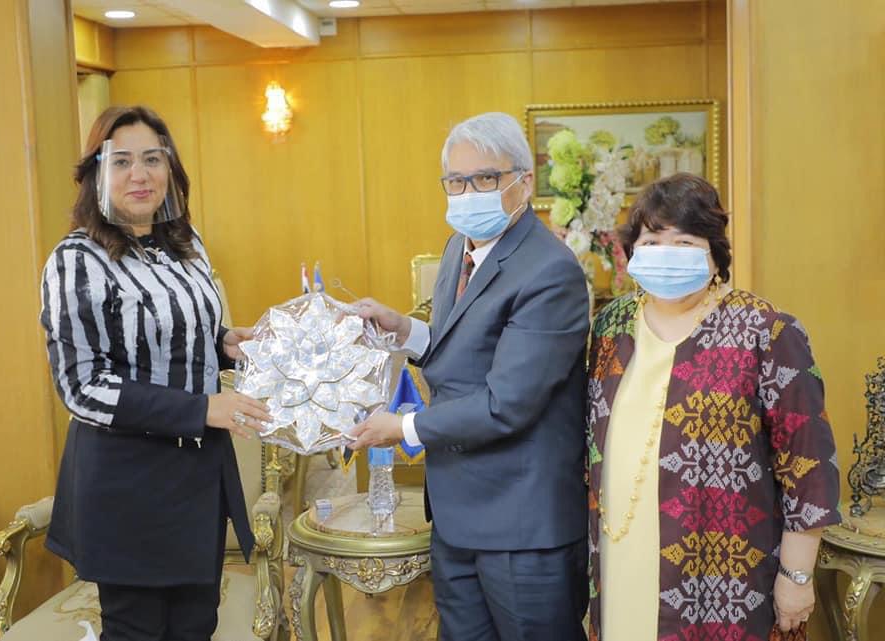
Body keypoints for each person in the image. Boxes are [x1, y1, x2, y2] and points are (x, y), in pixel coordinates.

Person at [350, 112, 590, 641]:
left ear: (524, 181)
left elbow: (508, 403)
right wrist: (406, 331)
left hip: (521, 525)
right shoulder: (459, 247)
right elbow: (465, 350)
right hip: (457, 513)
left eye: (485, 178)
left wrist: (403, 428)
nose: (468, 193)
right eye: (456, 182)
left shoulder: (550, 271)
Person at [40, 105, 272, 641]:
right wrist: (201, 408)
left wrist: (224, 344)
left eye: (152, 159)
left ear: (170, 169)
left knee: (197, 625)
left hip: (197, 477)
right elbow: (82, 387)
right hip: (129, 484)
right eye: (121, 161)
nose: (139, 175)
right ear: (96, 173)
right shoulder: (77, 260)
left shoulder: (185, 244)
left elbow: (169, 335)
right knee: (138, 630)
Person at [585, 173, 840, 641]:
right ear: (633, 250)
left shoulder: (766, 330)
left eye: (684, 241)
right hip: (620, 557)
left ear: (714, 252)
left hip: (726, 577)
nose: (666, 252)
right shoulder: (611, 326)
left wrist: (797, 575)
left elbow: (808, 464)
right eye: (652, 241)